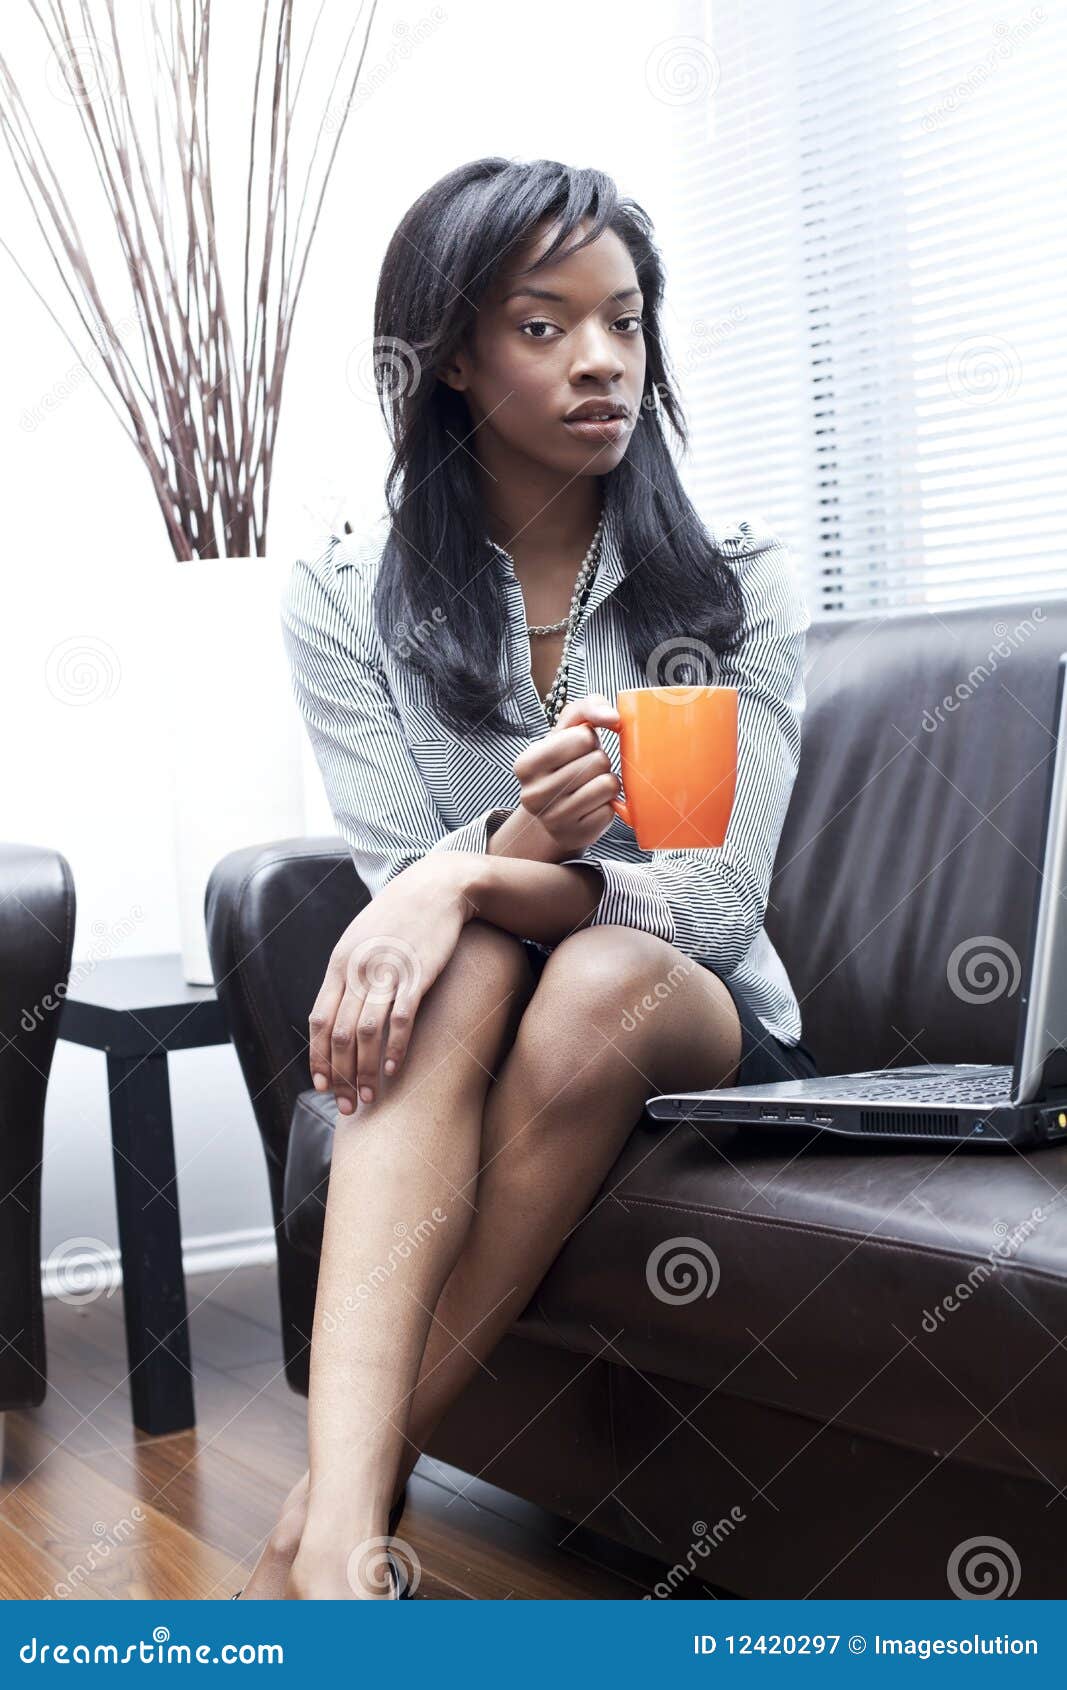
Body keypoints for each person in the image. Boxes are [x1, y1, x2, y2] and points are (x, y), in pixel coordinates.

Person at [243, 156, 819, 1600]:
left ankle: (329, 1505)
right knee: (474, 960)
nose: (604, 360)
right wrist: (501, 861)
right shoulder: (344, 588)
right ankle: (345, 1565)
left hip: (699, 1016)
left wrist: (477, 879)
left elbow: (719, 901)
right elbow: (402, 890)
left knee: (601, 967)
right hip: (499, 1006)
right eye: (546, 324)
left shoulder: (734, 579)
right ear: (449, 357)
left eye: (625, 322)